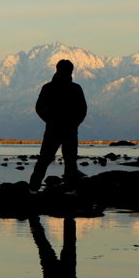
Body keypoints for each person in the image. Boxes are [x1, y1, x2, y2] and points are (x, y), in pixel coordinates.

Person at [29, 60, 87, 194]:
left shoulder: (48, 87)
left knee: (44, 159)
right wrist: (74, 123)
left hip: (52, 130)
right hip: (70, 130)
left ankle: (33, 188)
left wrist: (50, 120)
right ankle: (70, 189)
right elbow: (82, 110)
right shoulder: (75, 88)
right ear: (71, 71)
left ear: (56, 69)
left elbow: (39, 108)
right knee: (70, 161)